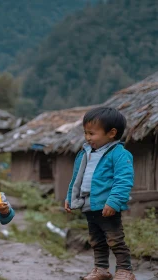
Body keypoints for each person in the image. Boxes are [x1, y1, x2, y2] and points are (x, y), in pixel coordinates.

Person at [65, 107, 135, 280]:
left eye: (92, 133)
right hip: (89, 205)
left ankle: (125, 270)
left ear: (111, 133)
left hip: (106, 205)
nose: (87, 138)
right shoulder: (85, 154)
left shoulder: (119, 154)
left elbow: (124, 180)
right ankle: (101, 269)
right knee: (96, 240)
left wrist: (113, 202)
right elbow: (76, 179)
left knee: (115, 239)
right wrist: (69, 198)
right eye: (85, 133)